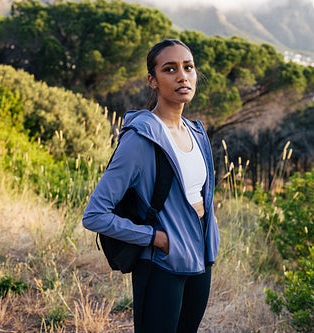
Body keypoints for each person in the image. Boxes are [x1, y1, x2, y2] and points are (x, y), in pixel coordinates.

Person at [82, 39, 220, 333]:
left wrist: (211, 238)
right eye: (170, 69)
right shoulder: (140, 139)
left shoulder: (197, 133)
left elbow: (201, 197)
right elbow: (95, 214)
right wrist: (154, 238)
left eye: (189, 67)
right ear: (152, 81)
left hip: (201, 257)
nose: (182, 76)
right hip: (162, 263)